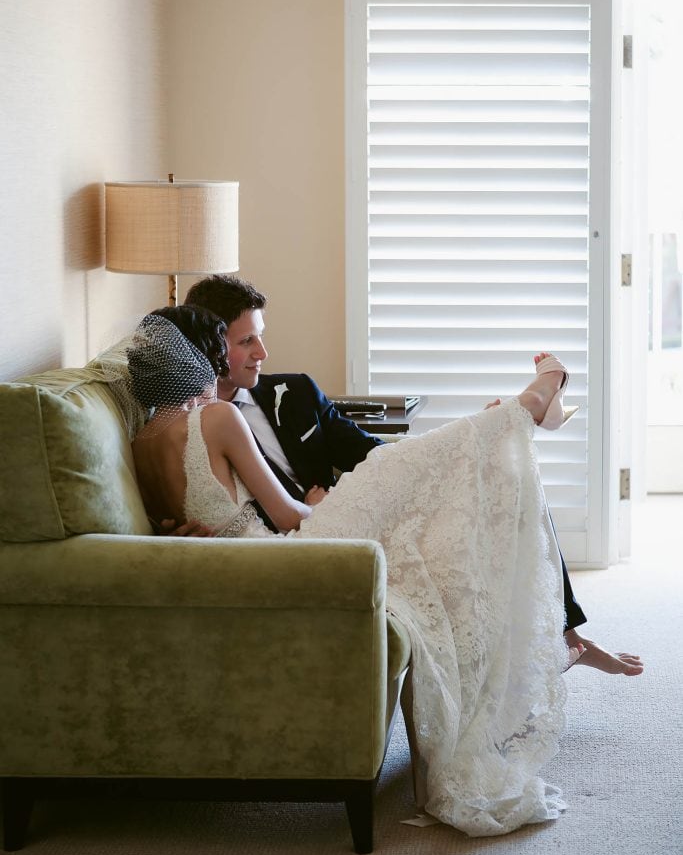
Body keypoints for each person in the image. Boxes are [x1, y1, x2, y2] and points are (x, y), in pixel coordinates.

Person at [125, 305, 576, 836]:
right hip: (289, 559)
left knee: (406, 477)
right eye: (229, 348)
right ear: (206, 357)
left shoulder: (140, 443)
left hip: (251, 565)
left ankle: (516, 415)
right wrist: (326, 504)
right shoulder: (216, 418)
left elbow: (175, 525)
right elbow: (288, 513)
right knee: (395, 472)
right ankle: (523, 408)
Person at [182, 275, 643, 679]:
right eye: (246, 342)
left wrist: (450, 458)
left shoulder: (295, 390)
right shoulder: (194, 425)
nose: (263, 353)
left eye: (261, 337)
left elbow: (374, 453)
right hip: (325, 534)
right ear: (211, 344)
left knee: (503, 469)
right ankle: (524, 411)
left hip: (366, 504)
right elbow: (202, 502)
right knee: (492, 454)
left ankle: (565, 635)